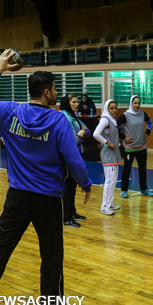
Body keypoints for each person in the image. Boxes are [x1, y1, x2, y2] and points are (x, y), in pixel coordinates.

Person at [0, 49, 92, 305]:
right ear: (46, 92)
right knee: (52, 254)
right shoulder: (57, 121)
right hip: (47, 200)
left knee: (0, 249)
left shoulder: (11, 112)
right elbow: (73, 159)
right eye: (54, 89)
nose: (56, 92)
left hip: (17, 197)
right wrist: (85, 184)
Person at [59, 94, 91, 227]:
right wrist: (81, 135)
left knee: (72, 187)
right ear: (67, 103)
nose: (77, 104)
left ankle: (72, 212)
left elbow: (88, 130)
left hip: (77, 155)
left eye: (77, 101)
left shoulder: (74, 117)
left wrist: (83, 133)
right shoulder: (65, 117)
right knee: (67, 188)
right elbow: (73, 140)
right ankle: (66, 217)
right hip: (68, 158)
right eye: (74, 102)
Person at [117, 95, 153, 198]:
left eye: (138, 103)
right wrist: (124, 138)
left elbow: (150, 123)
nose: (137, 105)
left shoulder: (142, 114)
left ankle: (144, 189)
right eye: (135, 103)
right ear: (131, 103)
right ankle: (124, 190)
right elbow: (116, 127)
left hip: (142, 147)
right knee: (127, 170)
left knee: (143, 169)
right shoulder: (125, 115)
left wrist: (147, 133)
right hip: (129, 148)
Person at [93, 99, 122, 216]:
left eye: (115, 108)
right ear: (107, 109)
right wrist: (107, 142)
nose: (114, 110)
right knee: (109, 181)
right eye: (111, 108)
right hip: (108, 153)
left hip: (114, 153)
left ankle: (109, 203)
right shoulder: (105, 119)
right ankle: (104, 206)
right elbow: (96, 134)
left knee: (113, 180)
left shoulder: (112, 120)